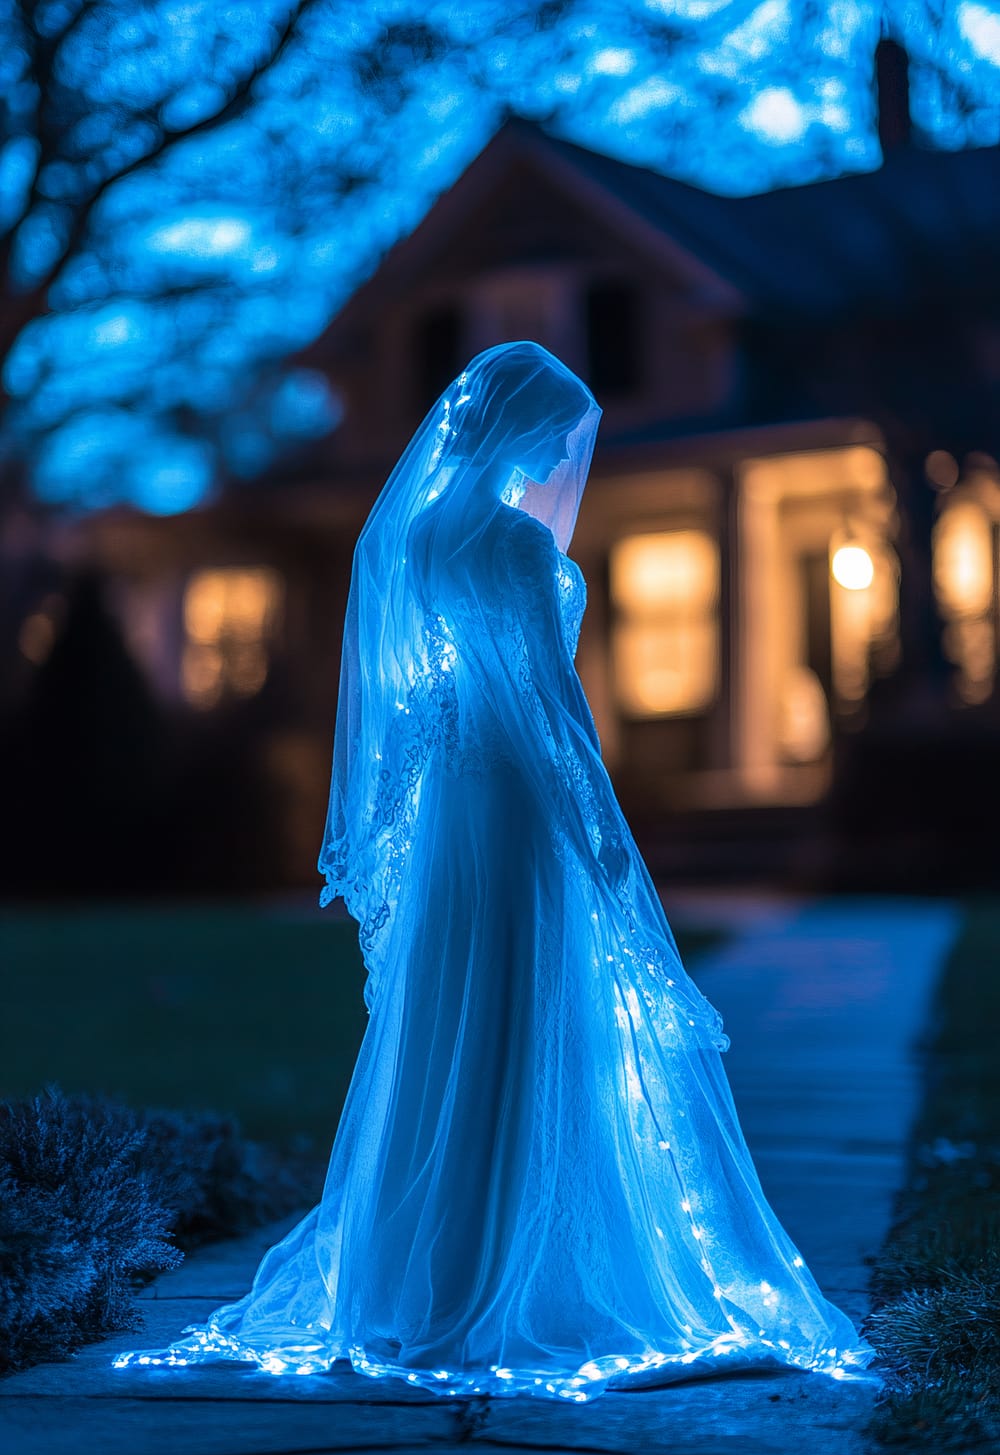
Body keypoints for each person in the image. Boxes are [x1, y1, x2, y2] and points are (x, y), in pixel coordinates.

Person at [113, 342, 872, 1400]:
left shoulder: (418, 538)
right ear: (521, 430)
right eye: (559, 437)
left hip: (452, 815)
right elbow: (550, 705)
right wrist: (596, 822)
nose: (567, 456)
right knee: (531, 1010)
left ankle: (418, 1279)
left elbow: (418, 703)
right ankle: (521, 1273)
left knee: (452, 1016)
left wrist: (388, 824)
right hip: (515, 803)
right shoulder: (513, 544)